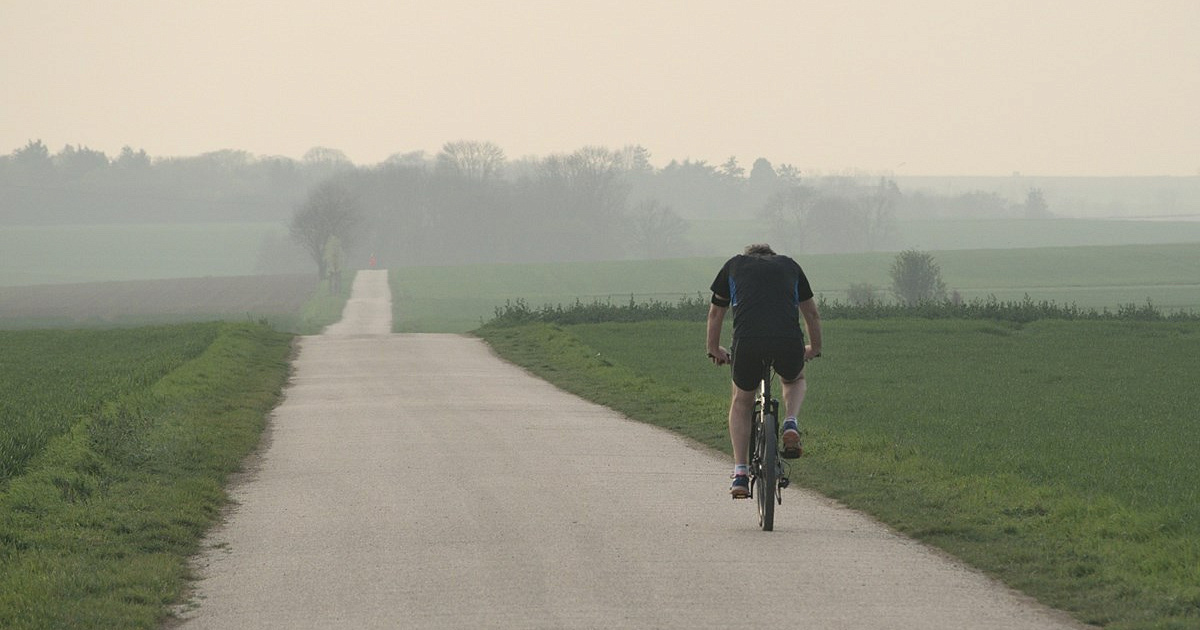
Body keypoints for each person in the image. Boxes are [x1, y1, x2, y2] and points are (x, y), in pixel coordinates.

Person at [706, 243, 822, 498]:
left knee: (741, 401)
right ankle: (790, 422)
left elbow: (716, 314)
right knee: (794, 378)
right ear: (772, 256)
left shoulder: (734, 266)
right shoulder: (790, 266)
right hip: (787, 341)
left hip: (747, 342)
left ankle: (740, 473)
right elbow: (811, 313)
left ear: (749, 257)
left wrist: (714, 348)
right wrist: (814, 347)